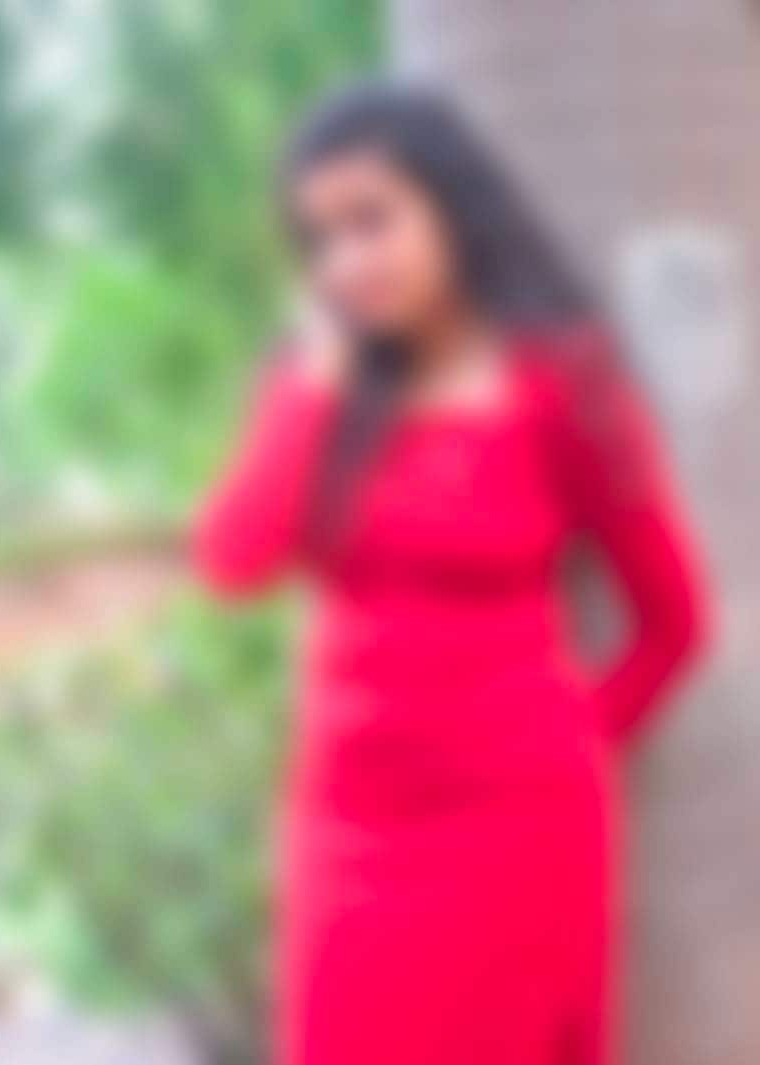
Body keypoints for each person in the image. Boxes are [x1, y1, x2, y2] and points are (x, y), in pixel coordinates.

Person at [192, 82, 711, 1065]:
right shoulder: (319, 387)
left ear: (451, 204)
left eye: (372, 220)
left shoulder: (563, 384)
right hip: (350, 832)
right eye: (320, 239)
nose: (346, 261)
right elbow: (233, 559)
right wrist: (311, 383)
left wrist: (559, 748)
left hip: (521, 838)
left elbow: (674, 624)